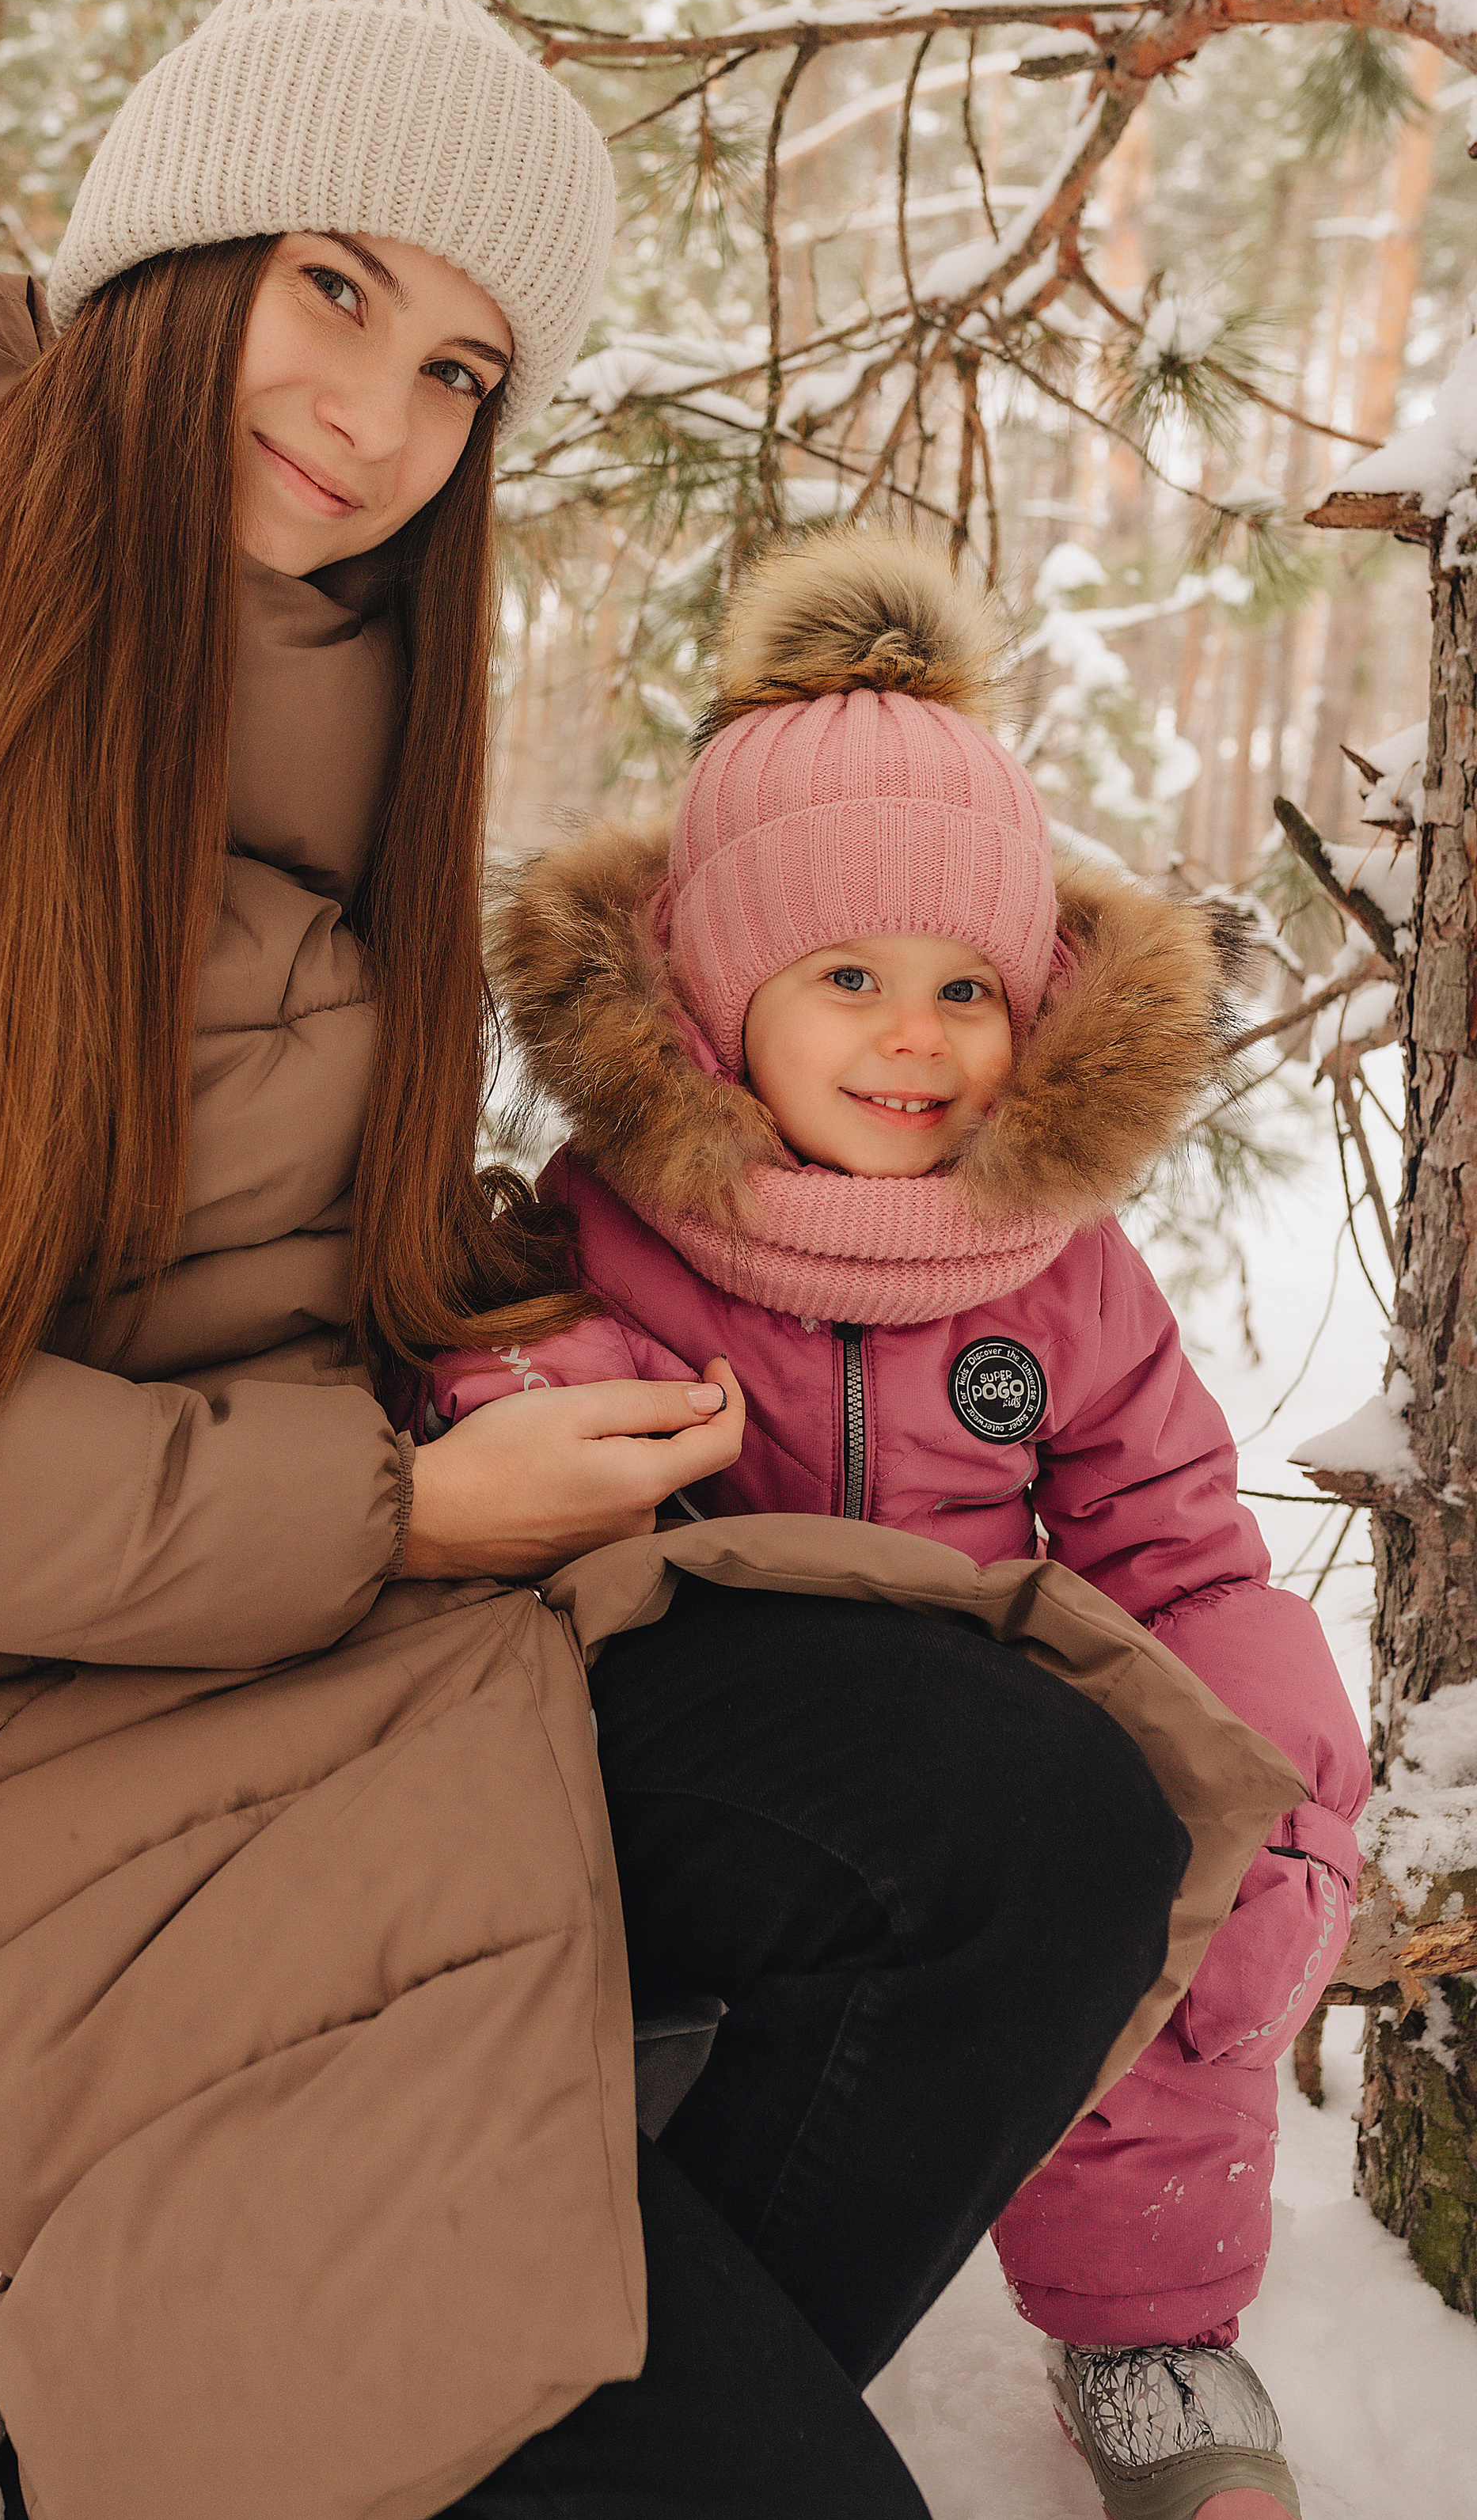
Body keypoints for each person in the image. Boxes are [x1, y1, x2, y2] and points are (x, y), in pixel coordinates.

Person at [0, 0, 1251, 2520]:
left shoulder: (329, 709)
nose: (378, 413)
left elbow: (279, 1232)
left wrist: (650, 1289)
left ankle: (333, 2429)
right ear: (162, 263)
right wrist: (401, 1503)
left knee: (1040, 1815)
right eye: (335, 285)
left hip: (313, 1618)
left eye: (458, 366)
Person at [425, 522, 1369, 2520]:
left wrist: (1270, 1763)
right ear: (708, 995)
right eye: (843, 976)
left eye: (964, 984)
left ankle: (1148, 2330)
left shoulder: (1055, 1269)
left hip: (1002, 1759)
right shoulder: (615, 1220)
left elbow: (1176, 1536)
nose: (915, 1036)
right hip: (740, 1765)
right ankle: (657, 2349)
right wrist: (523, 1392)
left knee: (1175, 1874)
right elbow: (505, 1390)